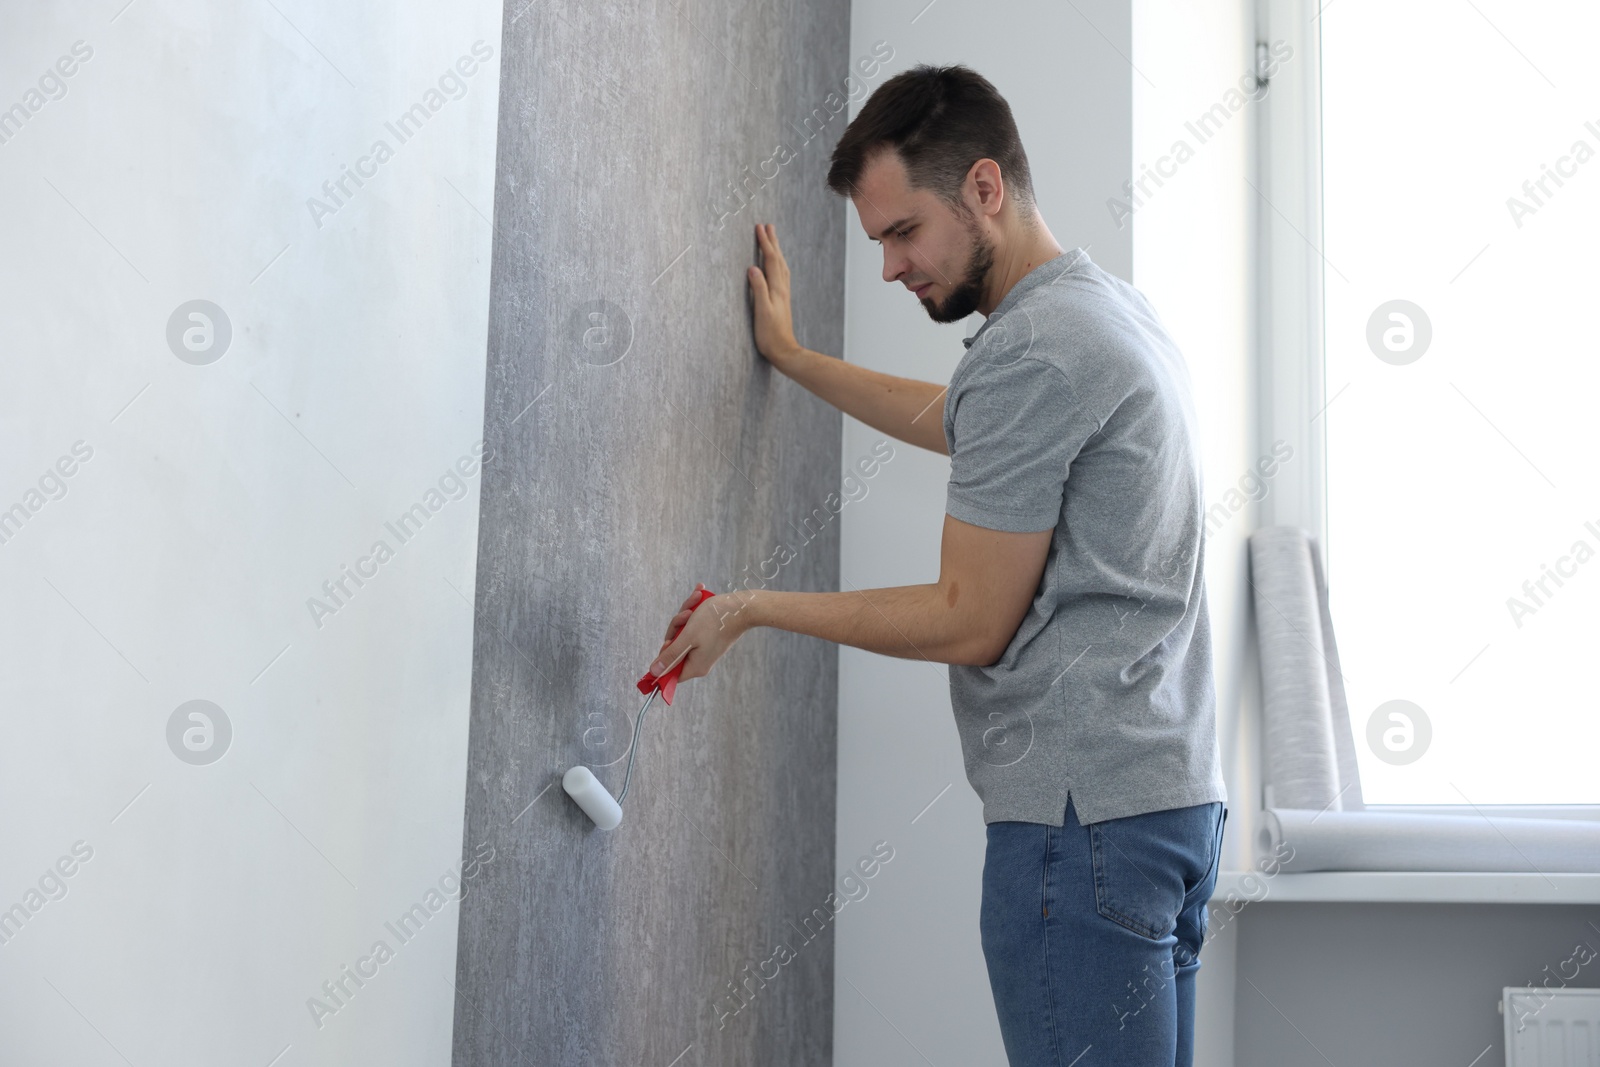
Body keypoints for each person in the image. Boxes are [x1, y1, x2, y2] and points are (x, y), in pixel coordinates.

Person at [645, 63, 1227, 1067]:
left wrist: (751, 606)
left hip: (1079, 823)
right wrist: (795, 357)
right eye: (877, 241)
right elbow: (973, 425)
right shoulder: (1102, 313)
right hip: (1166, 807)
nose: (888, 267)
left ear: (985, 187)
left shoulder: (1033, 351)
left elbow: (969, 616)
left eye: (902, 232)